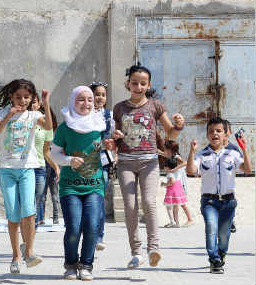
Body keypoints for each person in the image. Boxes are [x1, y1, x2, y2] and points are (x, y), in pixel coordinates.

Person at [110, 63, 185, 269]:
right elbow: (113, 137)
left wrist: (179, 125)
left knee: (149, 202)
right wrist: (114, 137)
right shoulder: (119, 108)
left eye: (143, 83)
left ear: (148, 84)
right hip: (125, 162)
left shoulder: (155, 106)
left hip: (149, 162)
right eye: (134, 83)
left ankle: (153, 249)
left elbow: (170, 132)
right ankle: (136, 252)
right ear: (128, 84)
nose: (138, 87)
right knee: (130, 206)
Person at [0, 79, 53, 274]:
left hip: (27, 169)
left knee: (29, 211)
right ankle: (16, 255)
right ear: (11, 97)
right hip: (7, 169)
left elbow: (49, 126)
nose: (22, 100)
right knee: (13, 215)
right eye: (18, 97)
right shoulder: (3, 113)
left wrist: (46, 102)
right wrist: (8, 116)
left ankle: (30, 251)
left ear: (32, 98)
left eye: (27, 97)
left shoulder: (34, 115)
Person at [51, 85, 106, 281]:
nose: (86, 103)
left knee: (91, 226)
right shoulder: (65, 128)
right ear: (73, 101)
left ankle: (87, 265)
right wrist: (68, 161)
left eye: (89, 99)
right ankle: (71, 264)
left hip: (94, 186)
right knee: (74, 227)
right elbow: (53, 154)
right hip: (70, 186)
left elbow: (109, 148)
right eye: (81, 99)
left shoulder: (100, 124)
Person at [186, 117, 252, 274]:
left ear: (225, 134)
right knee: (211, 228)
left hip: (229, 202)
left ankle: (221, 253)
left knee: (224, 235)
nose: (214, 134)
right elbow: (191, 171)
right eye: (211, 131)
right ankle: (214, 260)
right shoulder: (202, 155)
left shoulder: (232, 154)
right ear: (207, 135)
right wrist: (191, 152)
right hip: (209, 201)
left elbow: (248, 169)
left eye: (218, 131)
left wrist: (244, 150)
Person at [90, 81, 115, 251]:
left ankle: (99, 236)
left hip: (104, 162)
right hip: (86, 162)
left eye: (103, 94)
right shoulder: (83, 114)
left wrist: (114, 142)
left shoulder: (109, 115)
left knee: (99, 199)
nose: (100, 97)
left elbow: (113, 138)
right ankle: (89, 234)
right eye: (97, 94)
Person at [30, 93, 60, 226]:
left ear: (39, 104)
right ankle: (28, 223)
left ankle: (35, 224)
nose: (31, 104)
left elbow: (46, 151)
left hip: (40, 166)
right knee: (28, 198)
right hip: (24, 166)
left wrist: (56, 167)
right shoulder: (20, 118)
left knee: (39, 198)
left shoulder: (45, 124)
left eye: (34, 102)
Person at [161, 140, 189, 228]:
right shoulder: (171, 156)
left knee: (169, 206)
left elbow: (185, 163)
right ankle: (176, 223)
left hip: (174, 186)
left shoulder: (175, 157)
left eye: (165, 148)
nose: (164, 150)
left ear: (170, 149)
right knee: (176, 206)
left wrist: (174, 169)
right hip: (178, 184)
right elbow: (165, 154)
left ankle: (173, 221)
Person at [224, 119, 242, 233]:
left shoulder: (233, 148)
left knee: (230, 203)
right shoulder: (211, 147)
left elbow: (240, 163)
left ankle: (230, 220)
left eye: (226, 130)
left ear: (229, 132)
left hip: (228, 183)